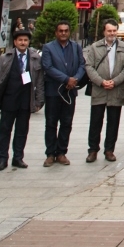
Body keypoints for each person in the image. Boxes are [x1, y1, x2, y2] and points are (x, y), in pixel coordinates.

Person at [0, 26, 44, 170]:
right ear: (15, 42)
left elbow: (39, 81)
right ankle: (2, 159)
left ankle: (18, 157)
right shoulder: (5, 58)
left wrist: (39, 101)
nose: (23, 43)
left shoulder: (35, 58)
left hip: (25, 99)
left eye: (25, 40)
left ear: (29, 42)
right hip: (9, 99)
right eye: (20, 40)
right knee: (5, 130)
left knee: (22, 130)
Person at [84, 18, 124, 162]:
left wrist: (115, 81)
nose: (112, 33)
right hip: (99, 89)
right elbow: (89, 66)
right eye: (109, 31)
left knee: (113, 122)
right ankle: (93, 150)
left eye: (114, 30)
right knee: (96, 121)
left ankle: (109, 150)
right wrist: (100, 81)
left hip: (116, 90)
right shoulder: (94, 47)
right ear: (104, 31)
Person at [40, 19, 85, 167]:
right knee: (51, 123)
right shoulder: (48, 48)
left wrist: (76, 78)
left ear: (69, 32)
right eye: (61, 31)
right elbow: (47, 66)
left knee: (66, 123)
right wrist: (66, 79)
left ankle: (61, 152)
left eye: (66, 31)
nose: (63, 33)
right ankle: (50, 154)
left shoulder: (76, 47)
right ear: (56, 32)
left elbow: (82, 65)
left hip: (69, 92)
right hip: (53, 91)